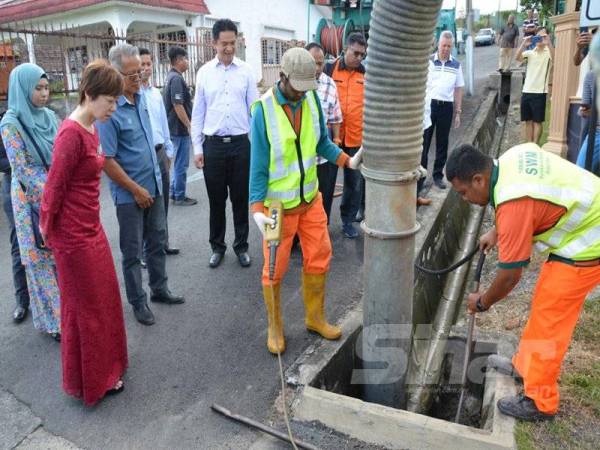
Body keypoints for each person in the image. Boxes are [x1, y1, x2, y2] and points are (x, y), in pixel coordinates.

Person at [446, 143, 600, 422]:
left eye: (464, 192)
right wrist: (497, 230)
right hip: (586, 220)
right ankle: (525, 367)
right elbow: (529, 194)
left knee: (551, 316)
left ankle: (540, 401)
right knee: (544, 304)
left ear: (479, 179)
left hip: (590, 238)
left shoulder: (513, 205)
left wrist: (481, 302)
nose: (465, 199)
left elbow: (509, 276)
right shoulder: (509, 159)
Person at [250, 47, 363, 354]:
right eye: (297, 87)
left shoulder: (311, 97)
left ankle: (315, 318)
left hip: (310, 200)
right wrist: (257, 209)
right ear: (282, 78)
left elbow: (322, 143)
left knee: (319, 257)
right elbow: (258, 167)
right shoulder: (263, 110)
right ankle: (275, 327)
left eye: (307, 86)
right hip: (276, 208)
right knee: (274, 268)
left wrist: (346, 161)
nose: (302, 93)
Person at [40, 60, 128, 405]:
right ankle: (95, 381)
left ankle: (109, 366)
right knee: (86, 309)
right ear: (89, 95)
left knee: (104, 299)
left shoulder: (92, 126)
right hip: (72, 240)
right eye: (109, 100)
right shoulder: (70, 134)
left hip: (92, 229)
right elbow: (53, 190)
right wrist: (47, 231)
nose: (113, 107)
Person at [98, 44, 184, 326]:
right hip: (129, 196)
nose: (139, 79)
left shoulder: (143, 97)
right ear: (115, 73)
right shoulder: (109, 111)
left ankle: (160, 289)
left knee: (157, 241)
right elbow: (107, 161)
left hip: (155, 184)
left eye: (141, 73)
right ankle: (138, 301)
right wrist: (136, 190)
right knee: (133, 252)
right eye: (132, 75)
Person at [0, 63, 60, 340]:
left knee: (60, 258)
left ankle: (69, 315)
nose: (44, 93)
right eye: (37, 88)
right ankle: (55, 323)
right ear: (23, 88)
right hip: (29, 201)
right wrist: (56, 190)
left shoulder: (49, 116)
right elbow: (21, 167)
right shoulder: (10, 123)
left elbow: (62, 153)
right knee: (40, 263)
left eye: (46, 87)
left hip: (57, 196)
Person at [191, 19, 258, 268]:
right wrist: (198, 148)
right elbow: (198, 114)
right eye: (224, 44)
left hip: (241, 146)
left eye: (233, 43)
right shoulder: (205, 73)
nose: (229, 48)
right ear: (214, 43)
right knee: (216, 201)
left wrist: (259, 147)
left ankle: (241, 246)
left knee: (241, 199)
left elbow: (256, 111)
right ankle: (217, 247)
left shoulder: (247, 71)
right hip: (214, 147)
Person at [324, 32, 366, 238]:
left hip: (356, 138)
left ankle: (348, 221)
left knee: (354, 183)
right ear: (345, 49)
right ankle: (321, 224)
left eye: (362, 55)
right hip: (331, 139)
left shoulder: (366, 74)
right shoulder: (329, 70)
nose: (358, 58)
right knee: (327, 182)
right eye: (355, 53)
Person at [139, 48, 179, 256]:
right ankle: (146, 250)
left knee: (162, 201)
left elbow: (163, 124)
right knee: (146, 203)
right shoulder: (132, 96)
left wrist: (169, 150)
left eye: (148, 64)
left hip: (160, 152)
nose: (146, 68)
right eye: (142, 65)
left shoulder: (155, 93)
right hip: (143, 157)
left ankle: (162, 243)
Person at [418, 31, 464, 195]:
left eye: (449, 46)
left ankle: (437, 175)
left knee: (442, 143)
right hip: (429, 107)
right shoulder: (428, 61)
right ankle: (420, 179)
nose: (445, 49)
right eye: (443, 45)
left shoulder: (456, 65)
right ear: (438, 45)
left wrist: (458, 111)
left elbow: (458, 88)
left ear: (452, 47)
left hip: (446, 107)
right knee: (424, 143)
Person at [306, 42, 343, 222]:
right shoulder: (291, 86)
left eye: (321, 63)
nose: (318, 68)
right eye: (314, 63)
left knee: (324, 197)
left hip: (324, 155)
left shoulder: (330, 85)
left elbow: (336, 117)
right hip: (301, 159)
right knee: (302, 199)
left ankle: (321, 232)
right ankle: (298, 237)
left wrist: (336, 140)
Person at [1, 115, 30, 322]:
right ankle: (22, 301)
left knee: (47, 244)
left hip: (39, 187)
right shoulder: (7, 122)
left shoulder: (41, 118)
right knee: (18, 245)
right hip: (13, 188)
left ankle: (54, 300)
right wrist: (20, 161)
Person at [164, 46, 196, 206]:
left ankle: (173, 192)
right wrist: (189, 125)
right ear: (178, 60)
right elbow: (178, 105)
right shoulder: (176, 79)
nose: (187, 62)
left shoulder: (172, 77)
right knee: (181, 163)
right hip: (178, 128)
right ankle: (179, 195)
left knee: (178, 162)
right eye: (185, 58)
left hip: (174, 127)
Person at [516, 28, 553, 144]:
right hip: (527, 90)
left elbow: (557, 59)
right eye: (537, 37)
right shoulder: (531, 53)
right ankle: (529, 143)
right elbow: (517, 58)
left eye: (542, 37)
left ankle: (535, 144)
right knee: (528, 120)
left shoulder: (549, 52)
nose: (539, 39)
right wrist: (524, 44)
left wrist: (549, 43)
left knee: (537, 121)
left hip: (540, 92)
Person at [576, 70, 599, 173]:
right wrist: (584, 111)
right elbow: (584, 111)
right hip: (597, 133)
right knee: (580, 173)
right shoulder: (591, 75)